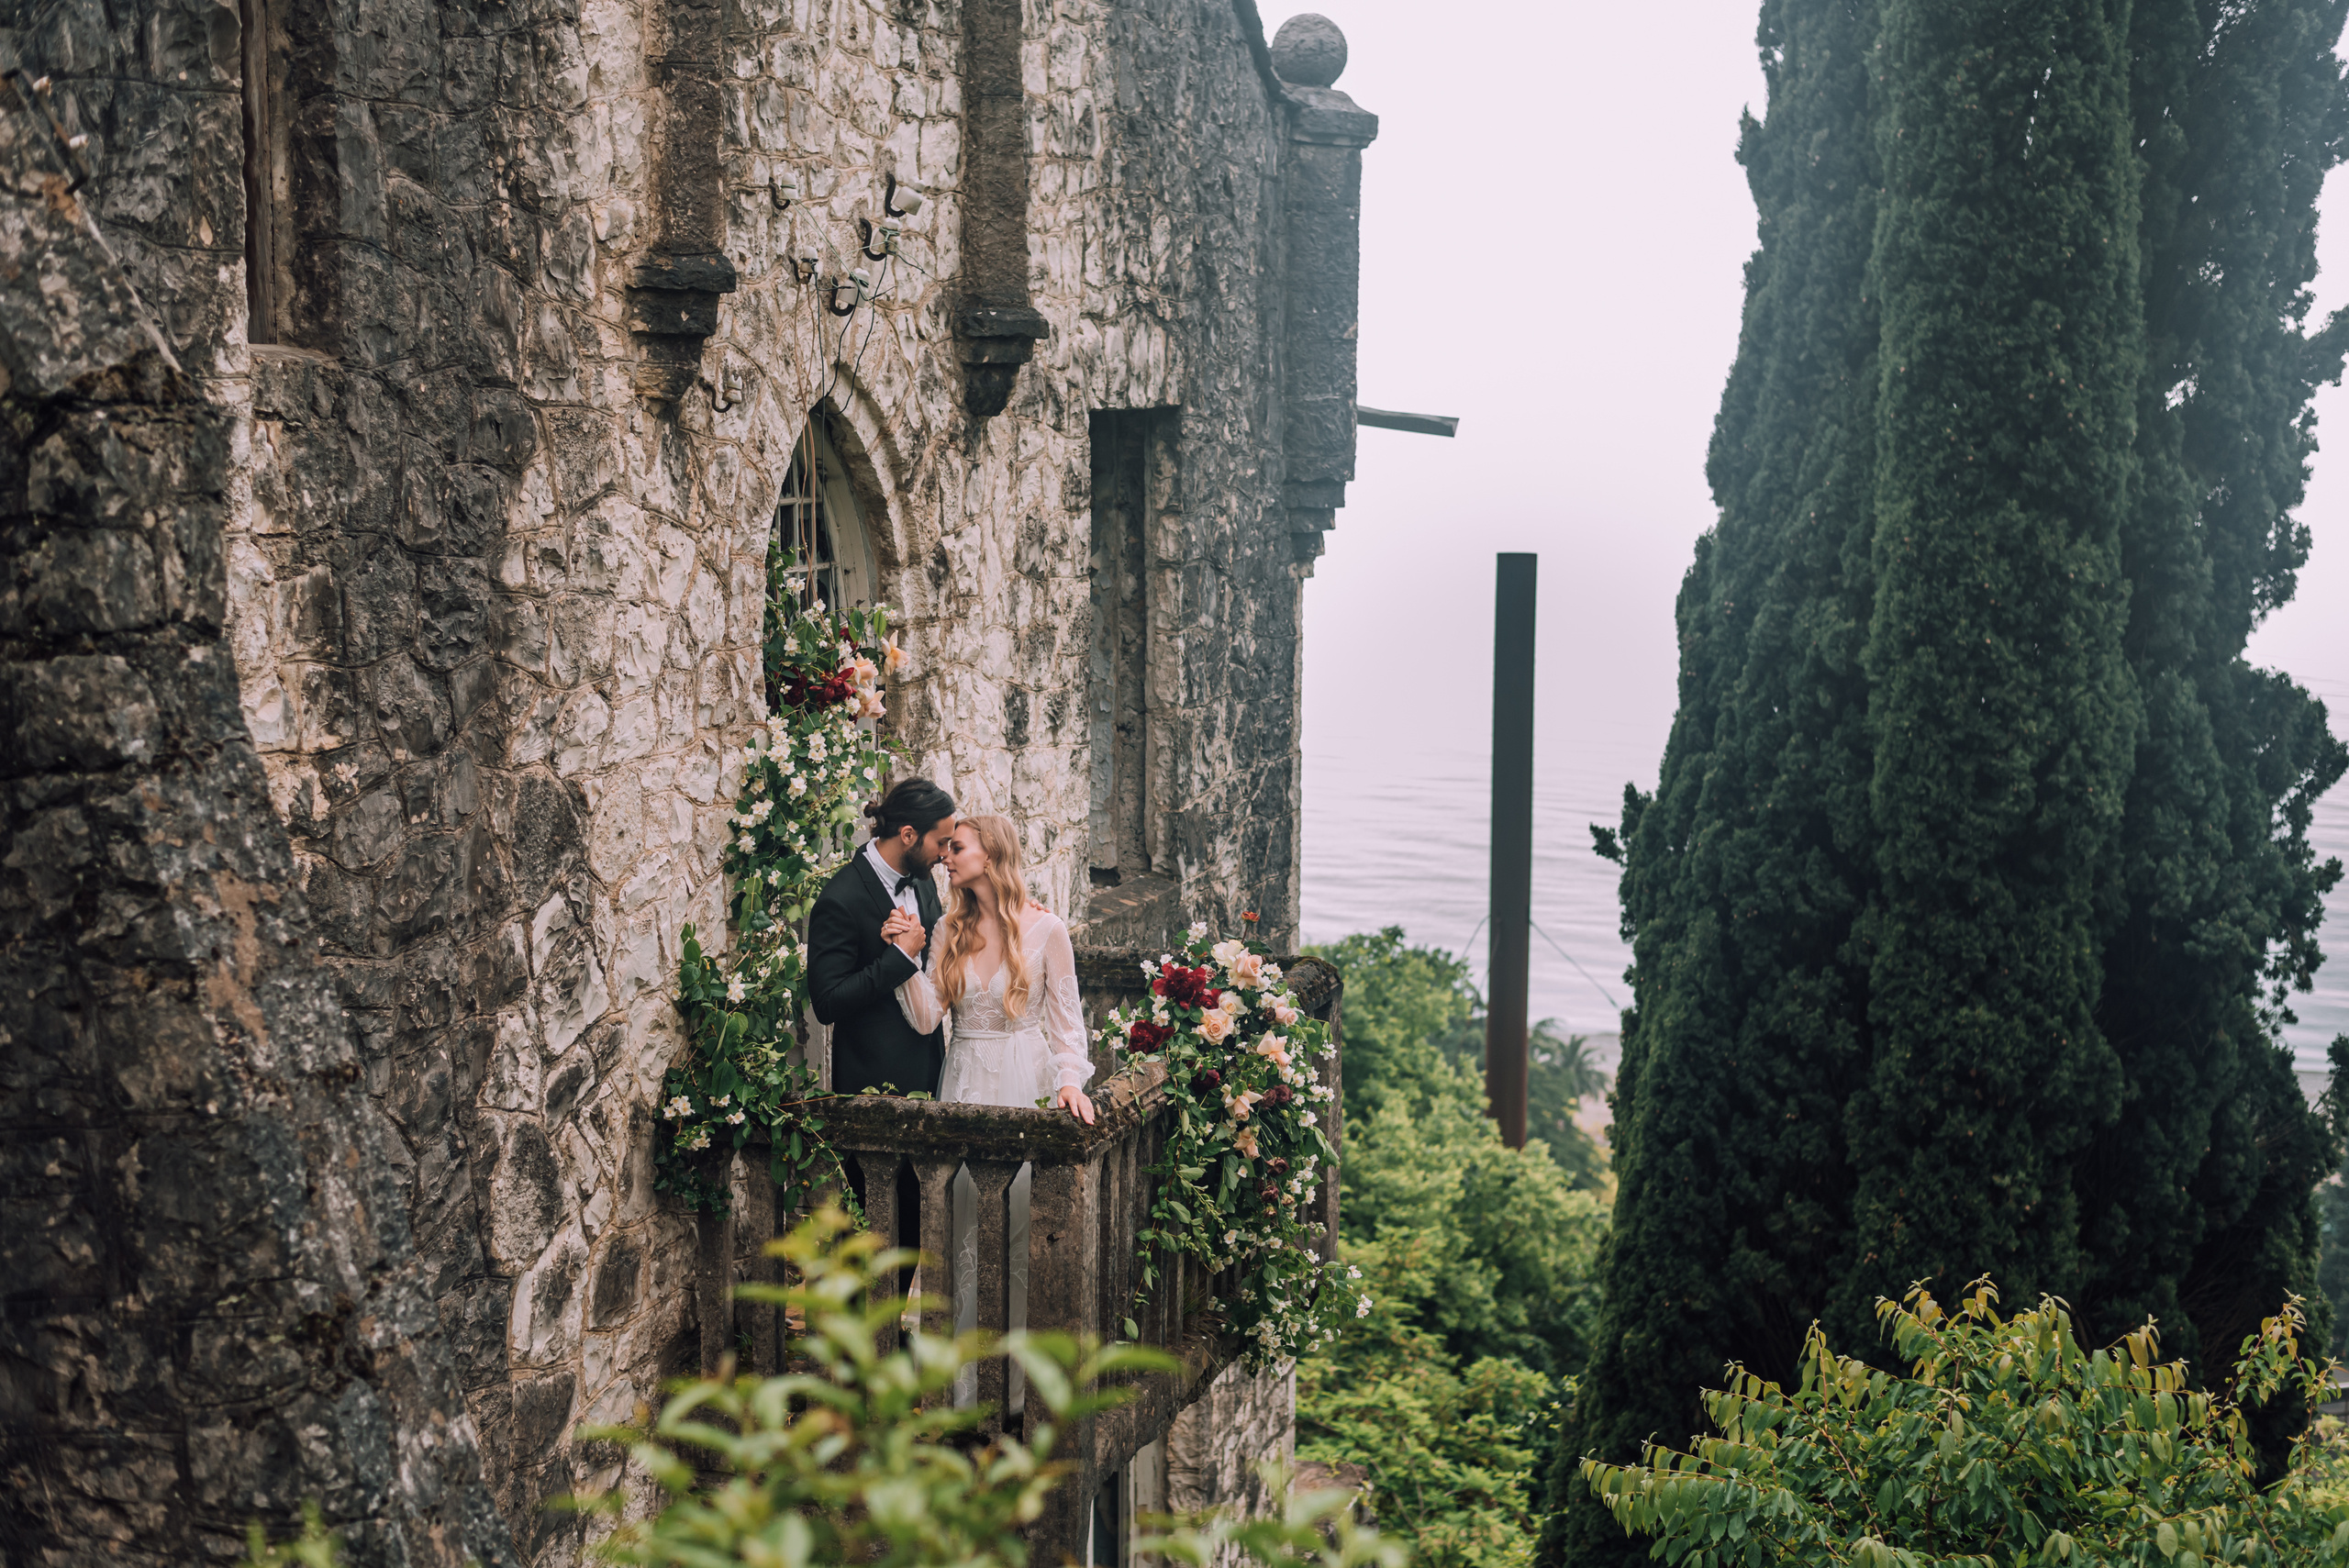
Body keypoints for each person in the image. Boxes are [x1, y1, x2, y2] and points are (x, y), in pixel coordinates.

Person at [890, 813, 1097, 1123]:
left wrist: (1069, 1082)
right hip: (963, 1080)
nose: (946, 856)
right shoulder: (947, 929)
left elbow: (1067, 1025)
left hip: (1026, 1075)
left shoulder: (1048, 928)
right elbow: (925, 1019)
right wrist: (901, 955)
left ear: (990, 855)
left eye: (957, 848)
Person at [807, 777, 956, 1095]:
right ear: (908, 835)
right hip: (873, 1084)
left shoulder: (923, 879)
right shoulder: (840, 898)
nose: (945, 854)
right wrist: (899, 958)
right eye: (941, 842)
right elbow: (826, 1003)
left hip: (933, 1074)